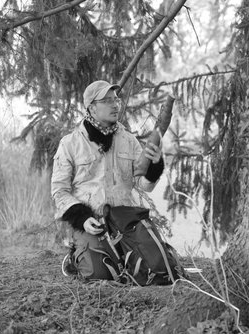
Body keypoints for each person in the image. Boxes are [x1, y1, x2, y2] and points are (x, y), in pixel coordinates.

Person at [52, 80, 165, 280]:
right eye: (107, 101)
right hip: (92, 221)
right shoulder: (70, 143)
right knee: (99, 274)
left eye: (116, 100)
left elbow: (143, 185)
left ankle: (123, 254)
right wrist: (82, 218)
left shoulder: (129, 141)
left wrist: (155, 165)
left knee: (157, 269)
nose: (115, 105)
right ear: (92, 108)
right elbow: (59, 191)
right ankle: (75, 256)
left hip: (125, 219)